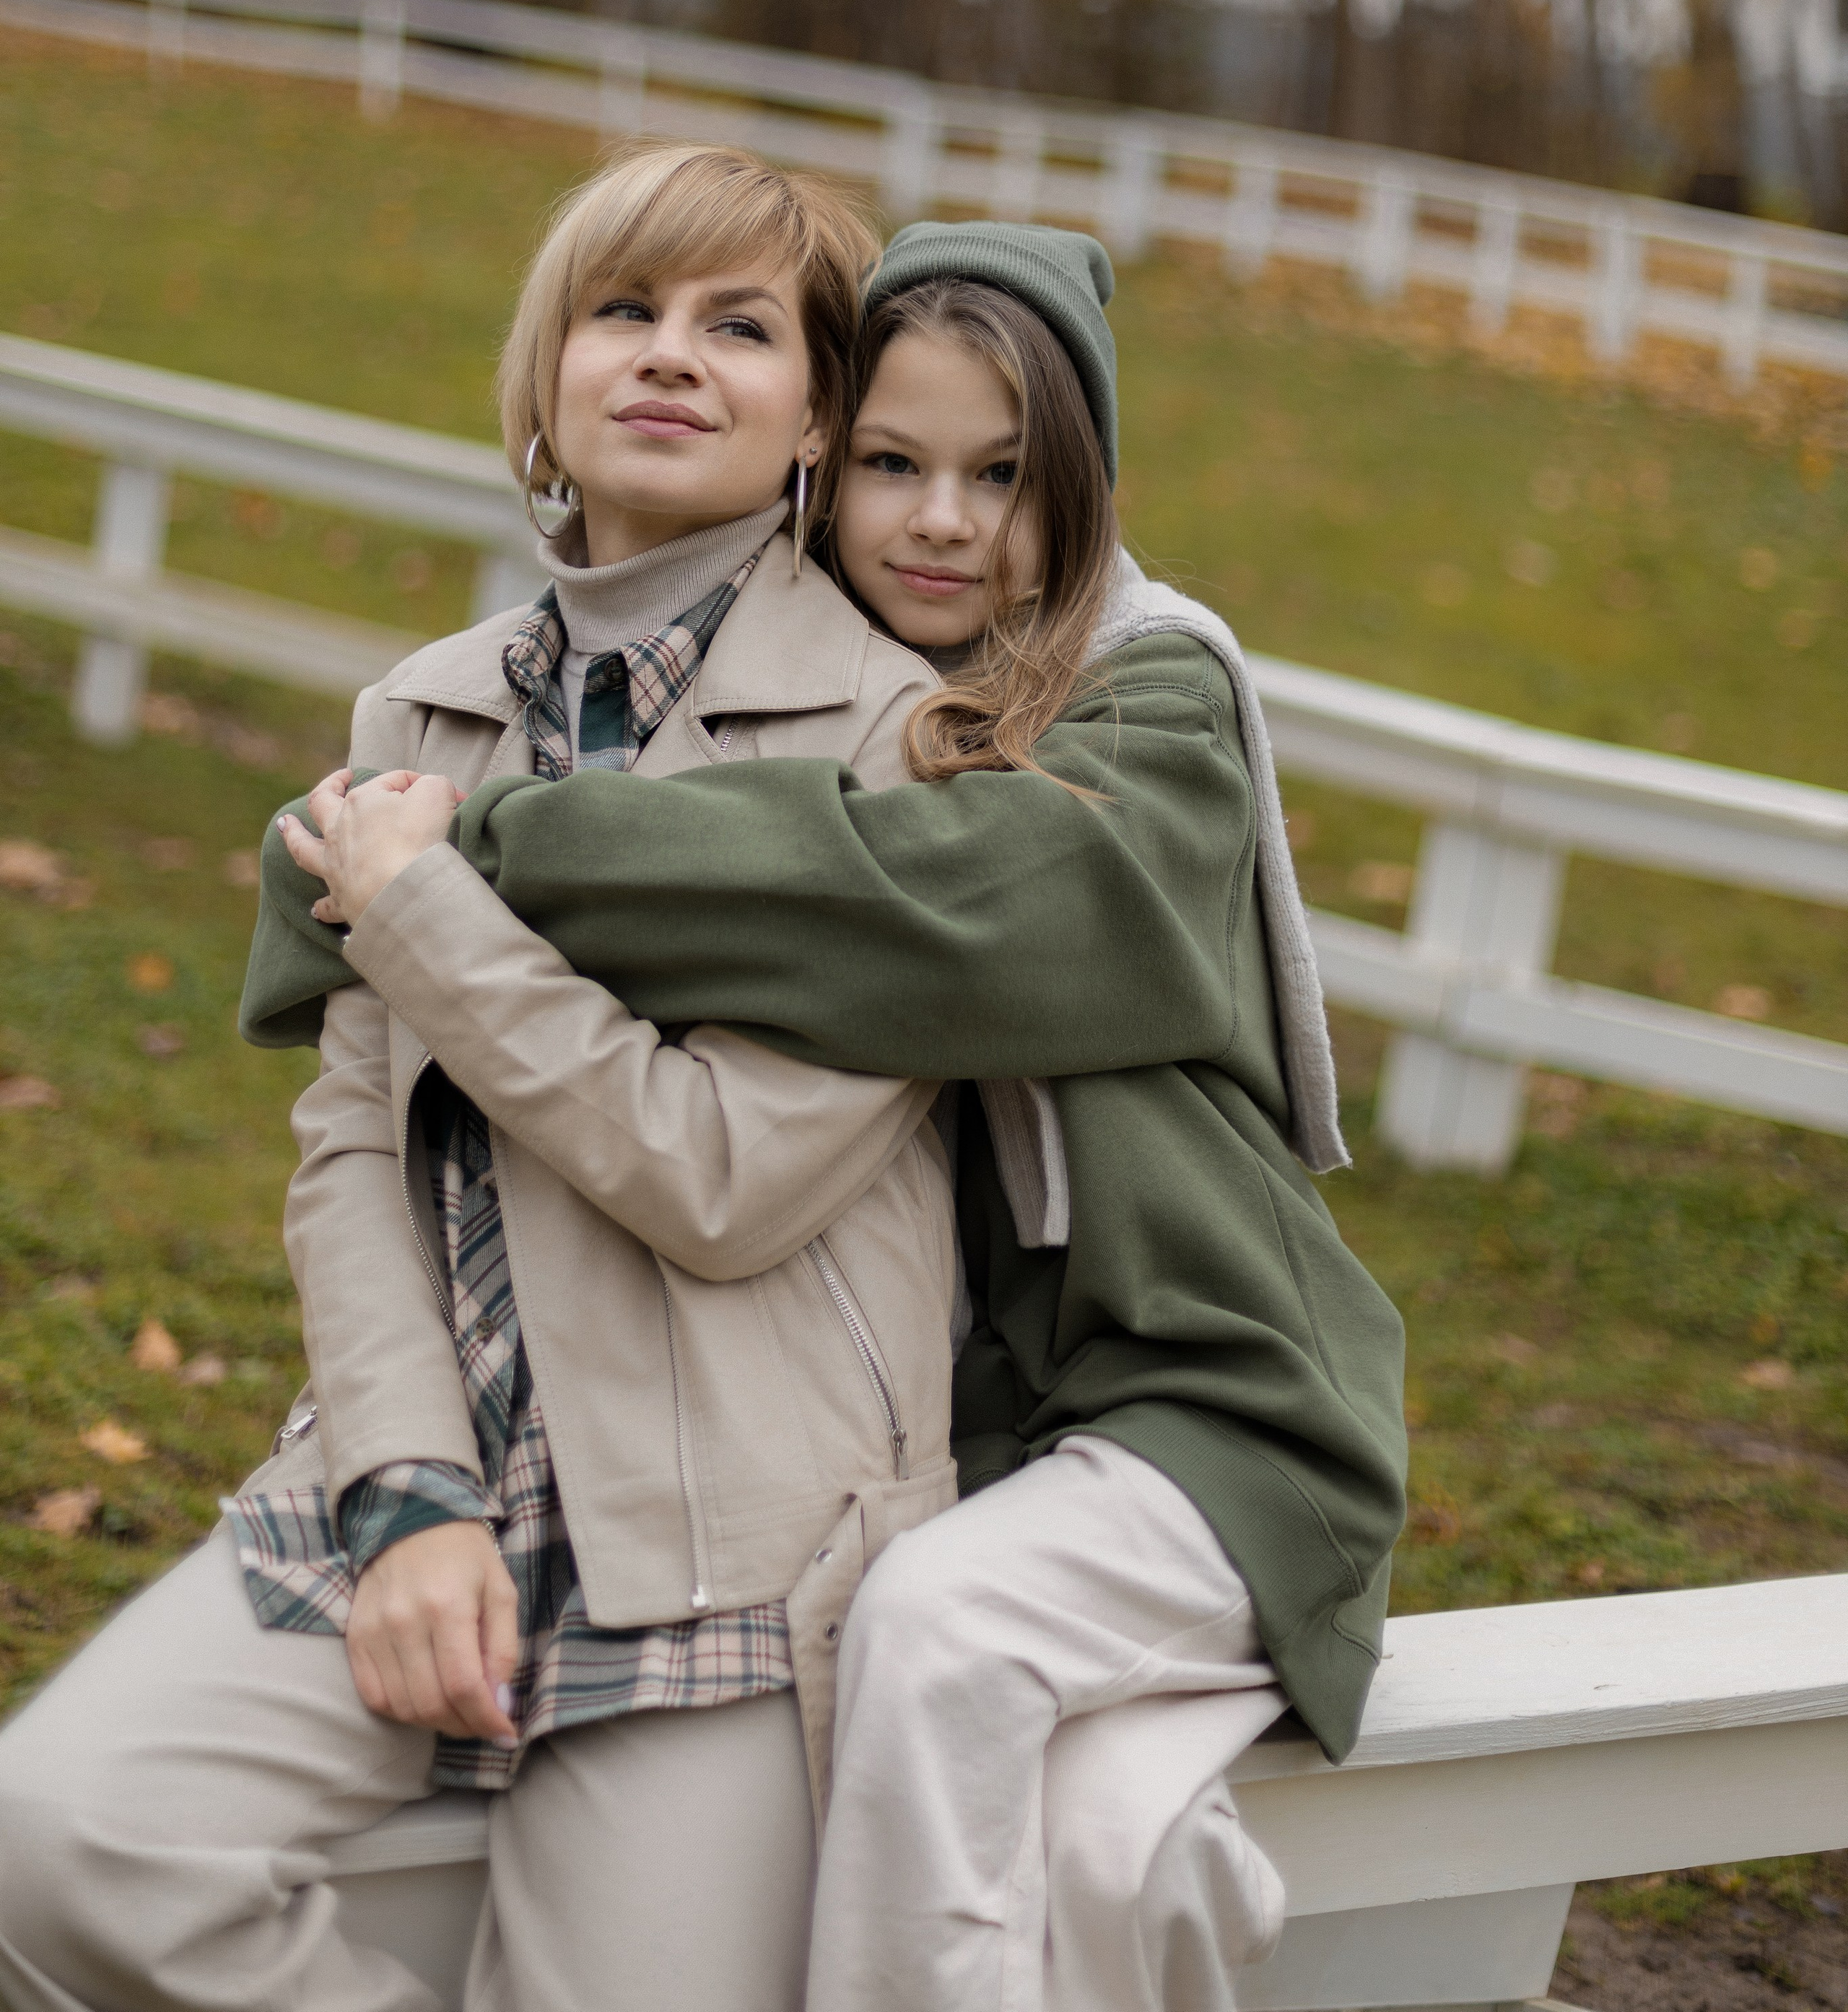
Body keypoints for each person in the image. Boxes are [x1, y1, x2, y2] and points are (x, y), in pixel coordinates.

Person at [250, 218, 1411, 2012]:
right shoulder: (839, 703)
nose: (942, 520)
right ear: (824, 459)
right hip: (1002, 1442)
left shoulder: (1144, 699)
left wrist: (451, 853)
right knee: (1108, 1843)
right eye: (892, 463)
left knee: (932, 1638)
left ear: (1083, 491)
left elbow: (918, 897)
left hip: (1209, 1399)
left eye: (1005, 476)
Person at [0, 142, 966, 2012]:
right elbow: (354, 1142)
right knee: (58, 1843)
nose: (671, 354)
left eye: (740, 326)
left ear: (817, 421)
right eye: (625, 311)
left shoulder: (897, 747)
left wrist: (428, 909)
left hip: (735, 1533)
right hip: (431, 1457)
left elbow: (721, 1180)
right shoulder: (425, 709)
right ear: (548, 379)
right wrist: (410, 1498)